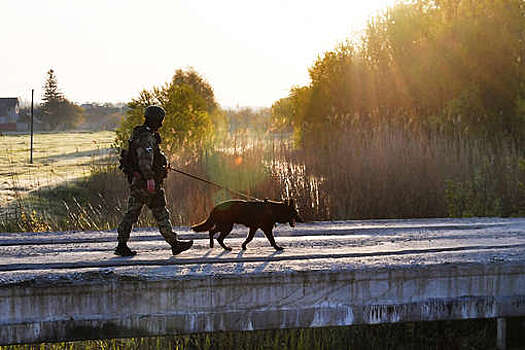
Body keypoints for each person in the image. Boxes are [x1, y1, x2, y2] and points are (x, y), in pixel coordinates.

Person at [115, 105, 193, 256]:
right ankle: (174, 244)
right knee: (156, 213)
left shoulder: (141, 134)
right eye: (160, 121)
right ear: (154, 120)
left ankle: (122, 244)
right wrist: (150, 178)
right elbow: (144, 161)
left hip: (141, 183)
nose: (161, 124)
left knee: (138, 213)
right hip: (146, 184)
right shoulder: (146, 138)